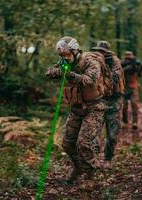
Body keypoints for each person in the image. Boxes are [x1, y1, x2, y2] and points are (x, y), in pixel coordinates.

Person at [45, 36, 110, 184]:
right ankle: (78, 167)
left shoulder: (89, 61)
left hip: (94, 108)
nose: (65, 58)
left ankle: (90, 175)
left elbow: (89, 80)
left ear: (74, 51)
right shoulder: (65, 61)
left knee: (84, 143)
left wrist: (70, 74)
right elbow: (48, 72)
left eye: (67, 55)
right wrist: (58, 71)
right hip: (76, 109)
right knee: (67, 143)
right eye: (63, 56)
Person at [91, 41, 125, 169]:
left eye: (102, 52)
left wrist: (103, 69)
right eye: (98, 51)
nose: (100, 54)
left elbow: (116, 76)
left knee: (112, 134)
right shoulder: (92, 61)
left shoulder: (114, 61)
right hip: (98, 101)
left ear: (106, 53)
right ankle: (93, 159)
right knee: (94, 133)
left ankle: (108, 158)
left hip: (113, 102)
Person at [121, 51, 142, 131]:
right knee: (124, 106)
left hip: (133, 87)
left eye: (129, 58)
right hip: (123, 88)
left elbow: (140, 74)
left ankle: (135, 122)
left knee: (134, 104)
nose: (128, 60)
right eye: (126, 58)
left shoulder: (135, 65)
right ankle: (125, 122)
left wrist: (139, 67)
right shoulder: (121, 64)